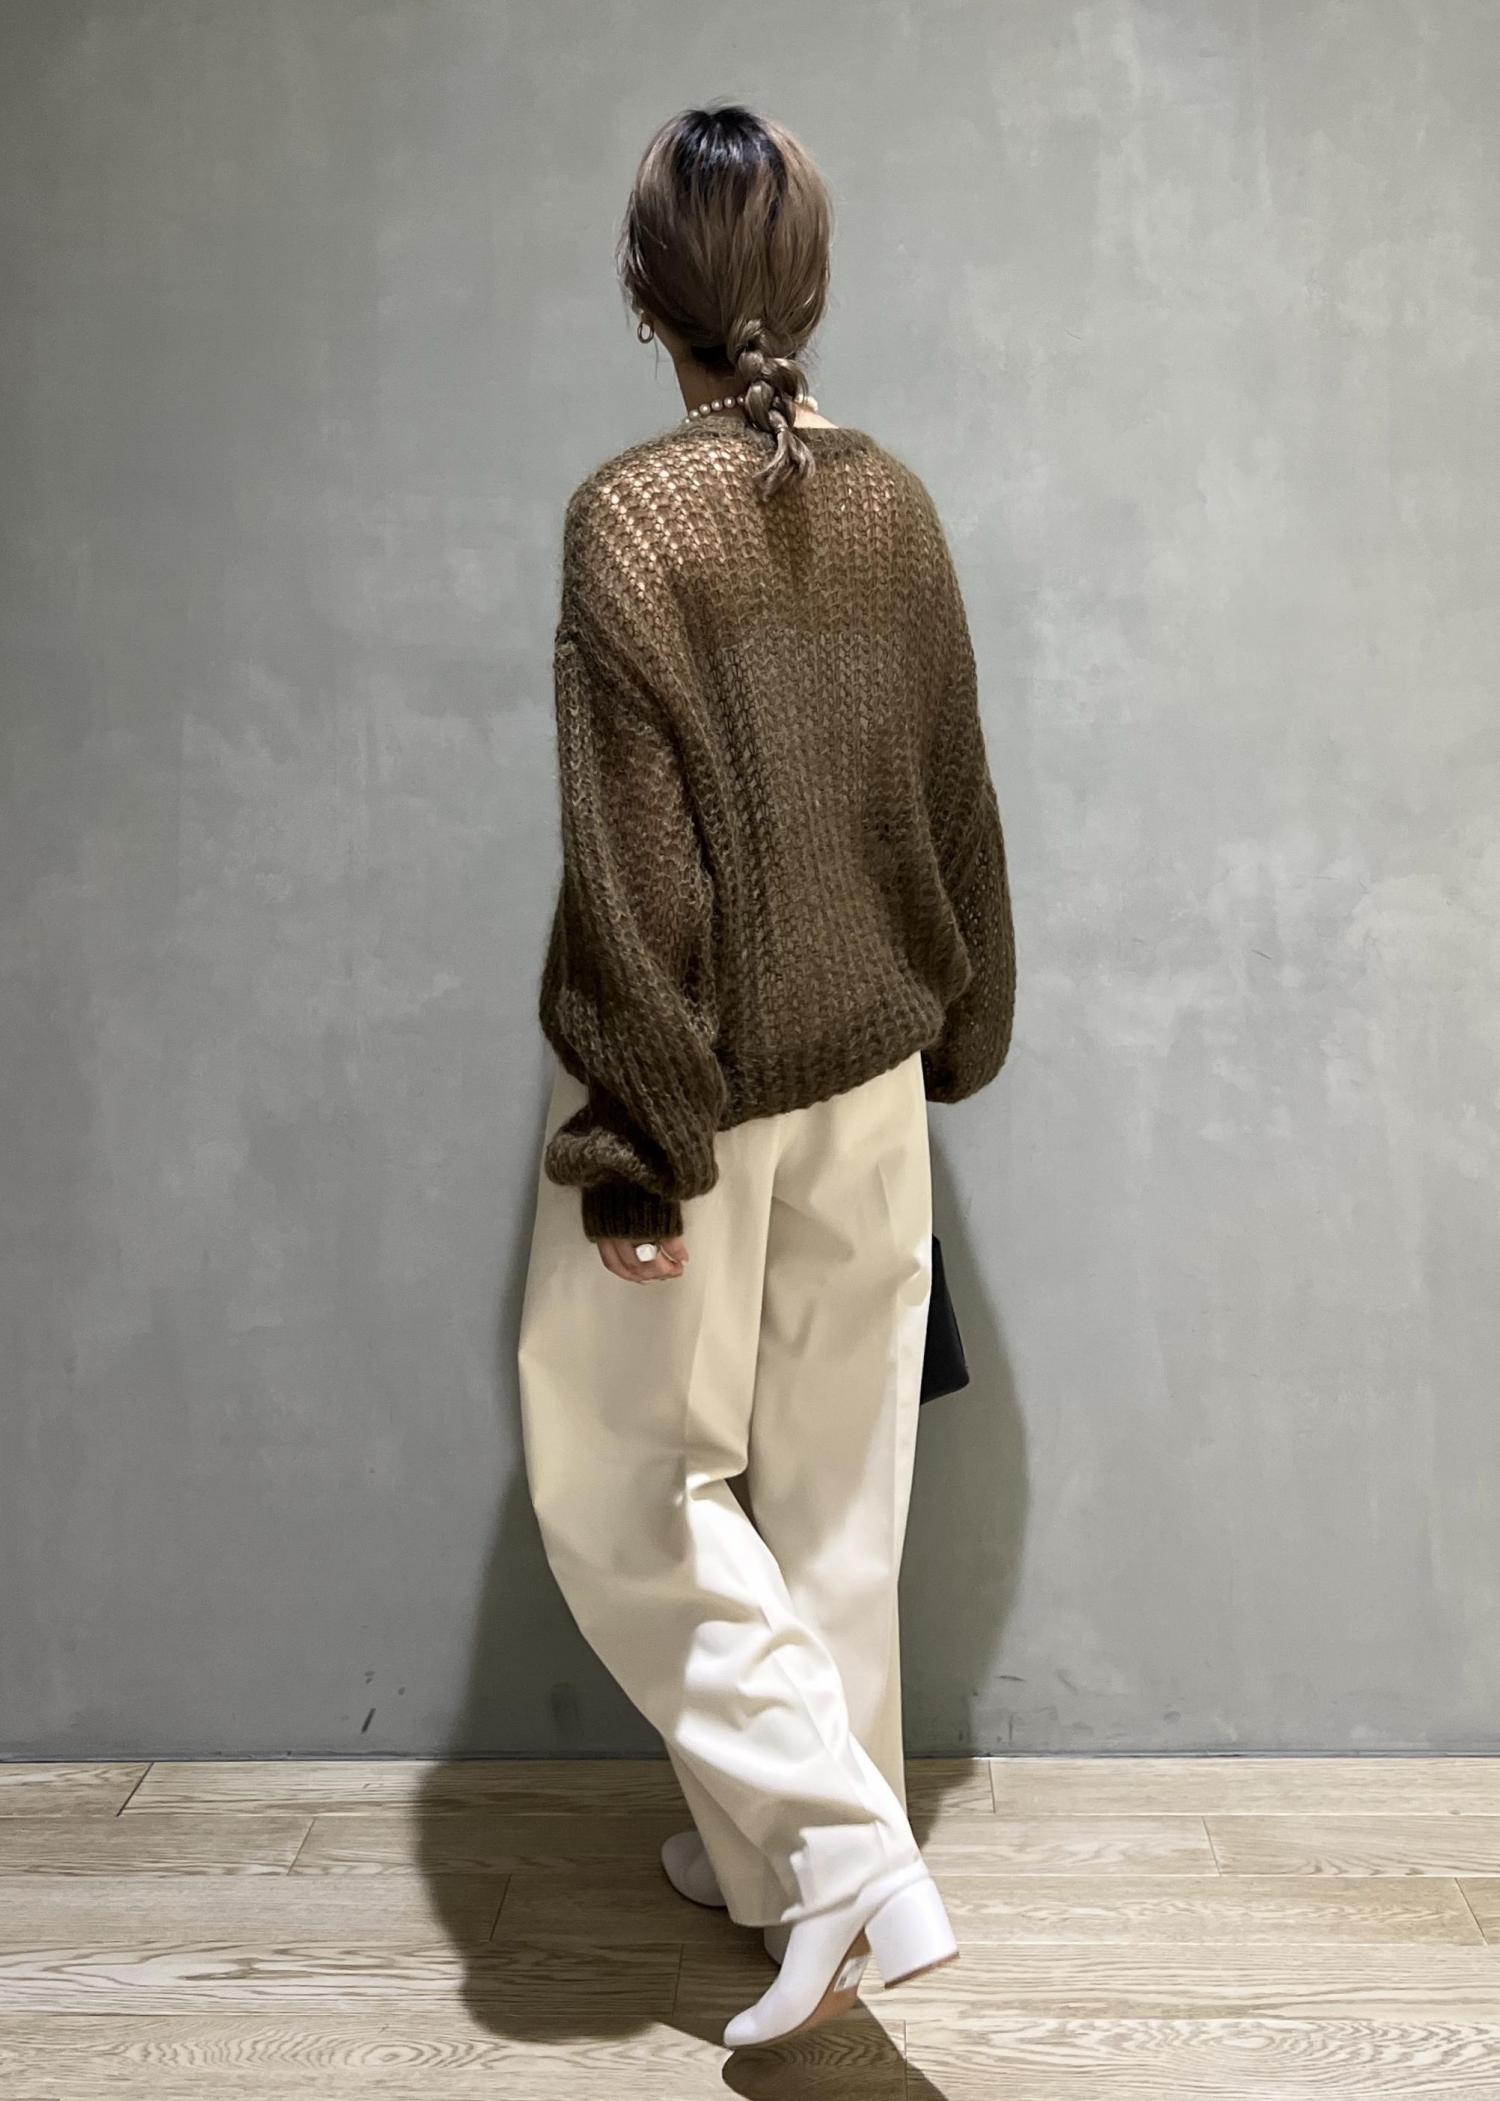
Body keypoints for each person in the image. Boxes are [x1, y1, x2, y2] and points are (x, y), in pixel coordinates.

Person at [516, 102, 1016, 2050]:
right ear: (807, 287)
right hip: (872, 1073)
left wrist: (635, 1149)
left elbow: (634, 873)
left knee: (623, 1479)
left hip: (709, 1091)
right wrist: (963, 1027)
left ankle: (837, 1852)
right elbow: (957, 802)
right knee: (835, 1504)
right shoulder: (898, 504)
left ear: (641, 296)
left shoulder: (630, 523)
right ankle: (783, 1872)